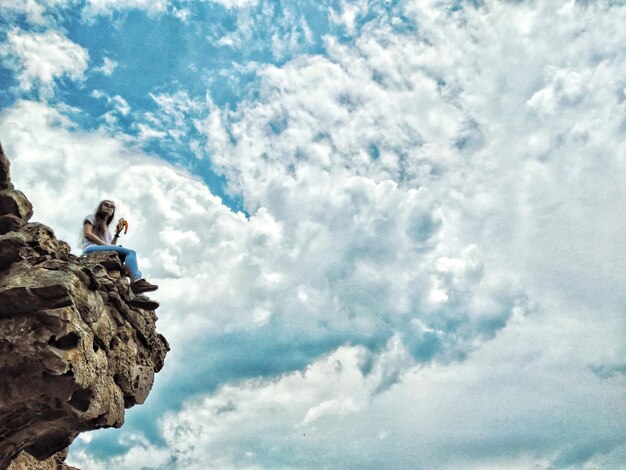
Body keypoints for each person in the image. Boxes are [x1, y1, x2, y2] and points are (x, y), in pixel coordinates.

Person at [81, 200, 159, 308]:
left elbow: (110, 246)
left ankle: (138, 295)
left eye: (112, 207)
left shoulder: (107, 230)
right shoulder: (91, 217)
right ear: (100, 207)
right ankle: (137, 282)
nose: (109, 207)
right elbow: (87, 233)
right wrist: (105, 246)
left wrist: (117, 234)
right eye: (106, 205)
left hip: (101, 249)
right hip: (91, 249)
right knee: (131, 253)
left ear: (113, 211)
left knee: (134, 269)